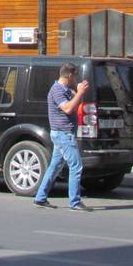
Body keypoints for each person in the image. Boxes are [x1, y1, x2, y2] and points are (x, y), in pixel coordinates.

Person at [33, 62, 91, 212]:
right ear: (70, 75)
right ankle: (75, 202)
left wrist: (78, 93)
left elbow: (76, 103)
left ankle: (40, 198)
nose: (76, 79)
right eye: (75, 76)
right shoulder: (57, 90)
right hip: (63, 134)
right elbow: (68, 108)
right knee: (76, 166)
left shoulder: (66, 90)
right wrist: (78, 92)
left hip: (63, 134)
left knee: (55, 166)